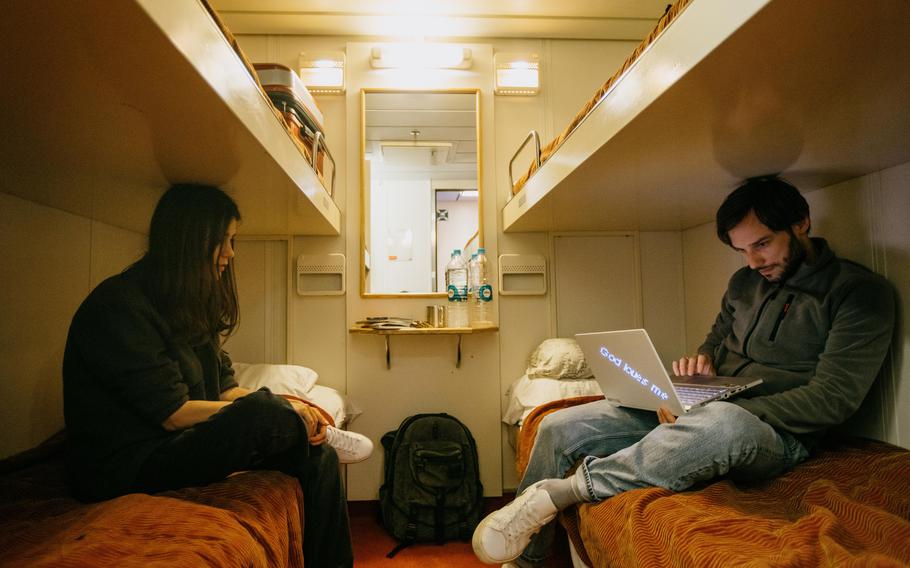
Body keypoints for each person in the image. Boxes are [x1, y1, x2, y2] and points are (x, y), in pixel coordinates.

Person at [472, 176, 896, 567]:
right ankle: (526, 560)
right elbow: (715, 340)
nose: (752, 262)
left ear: (801, 223)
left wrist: (720, 408)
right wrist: (700, 368)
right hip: (707, 403)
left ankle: (564, 492)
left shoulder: (858, 294)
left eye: (763, 245)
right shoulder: (744, 283)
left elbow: (833, 400)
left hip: (778, 433)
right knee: (557, 425)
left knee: (725, 424)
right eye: (742, 250)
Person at [63, 183, 370, 568]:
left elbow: (226, 390)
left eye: (232, 241)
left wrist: (292, 405)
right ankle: (294, 423)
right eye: (223, 241)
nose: (230, 253)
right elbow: (173, 413)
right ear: (190, 239)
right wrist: (275, 410)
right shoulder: (119, 306)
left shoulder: (186, 303)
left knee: (317, 457)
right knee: (263, 410)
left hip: (175, 443)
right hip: (128, 464)